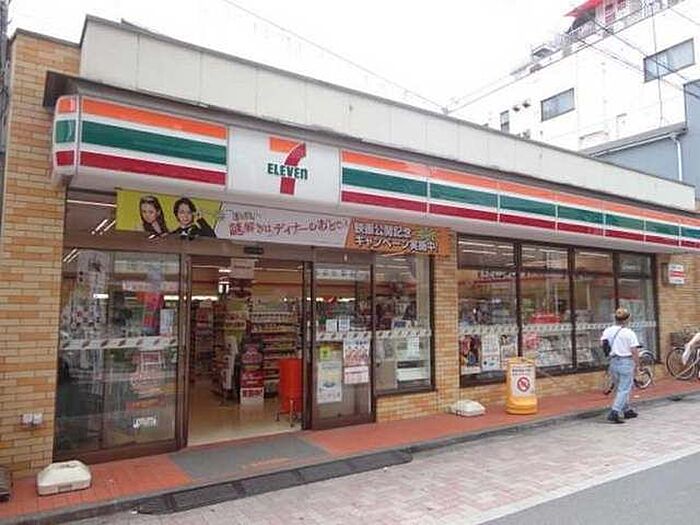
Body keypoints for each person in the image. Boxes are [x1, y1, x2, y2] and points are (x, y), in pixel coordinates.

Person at [601, 307, 641, 424]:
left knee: (619, 387)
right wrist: (637, 365)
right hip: (626, 361)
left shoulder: (608, 331)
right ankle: (615, 411)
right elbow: (634, 351)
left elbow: (603, 344)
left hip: (613, 361)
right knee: (624, 388)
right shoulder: (629, 333)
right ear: (627, 319)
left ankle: (626, 410)